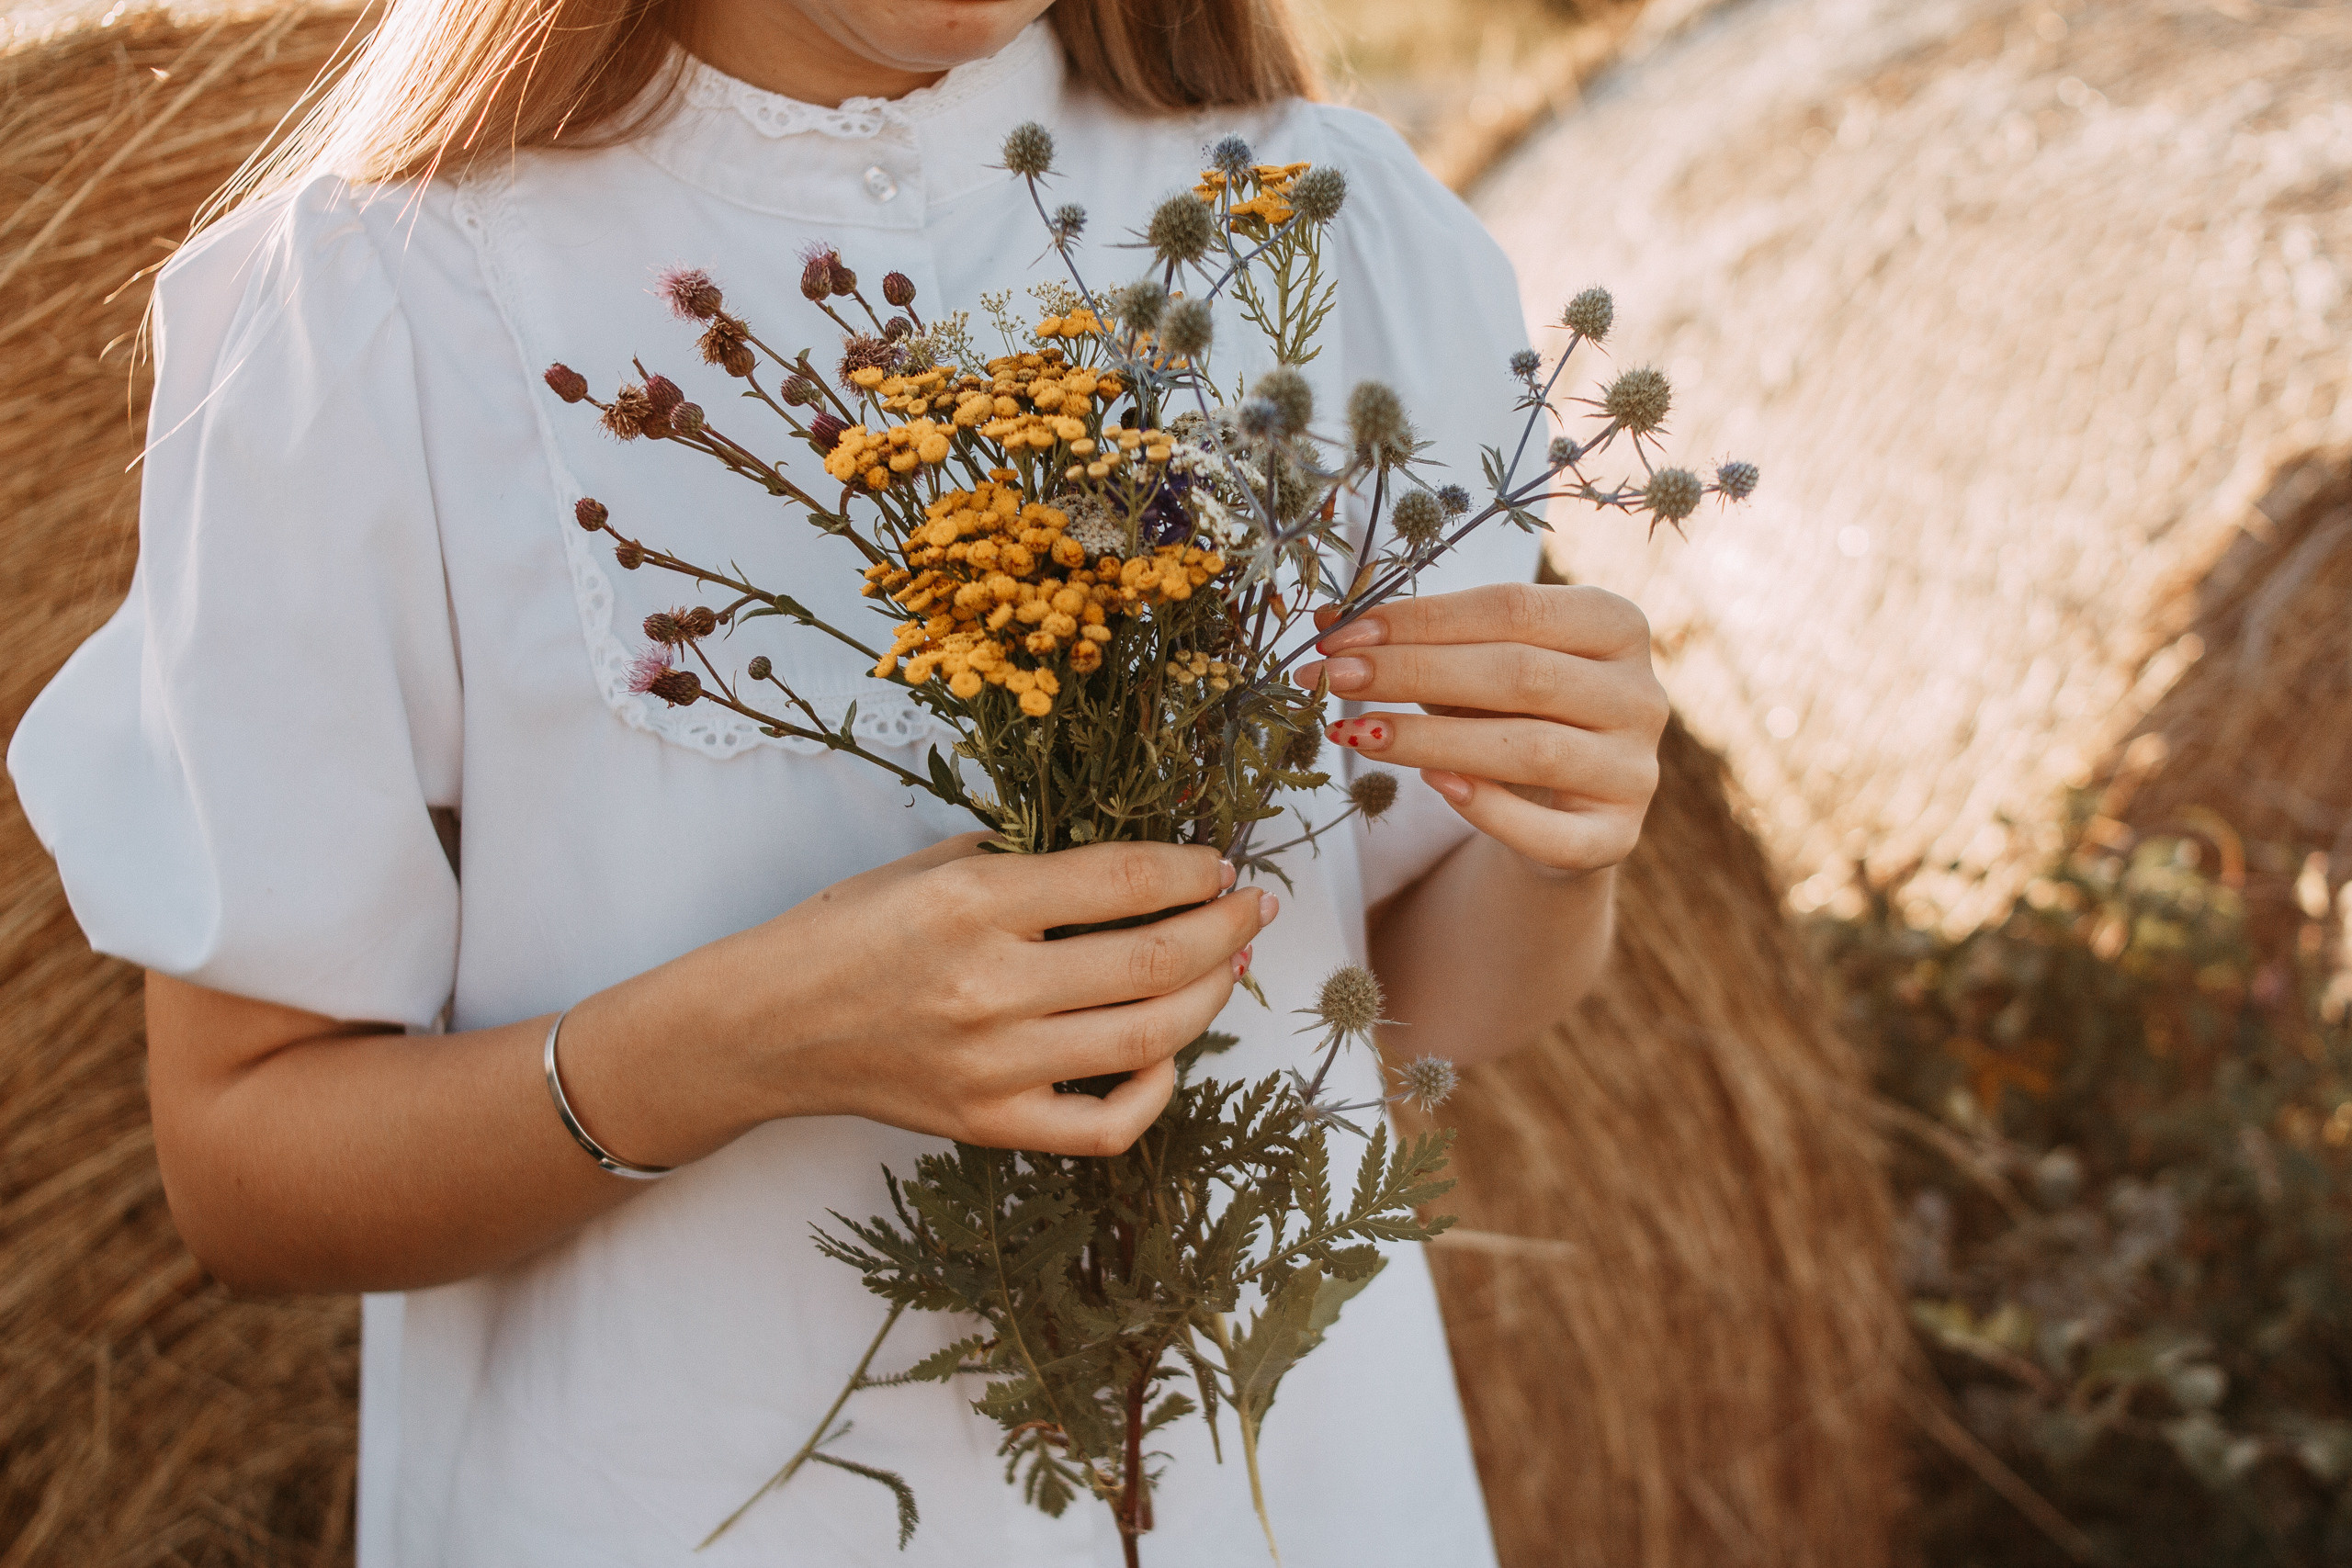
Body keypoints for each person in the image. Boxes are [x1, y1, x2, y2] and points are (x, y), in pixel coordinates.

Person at [8, 0, 1667, 1562]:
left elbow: (1411, 1004)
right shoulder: (373, 301)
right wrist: (744, 1042)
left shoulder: (1334, 221)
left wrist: (1559, 845)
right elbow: (244, 1167)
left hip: (1299, 1509)